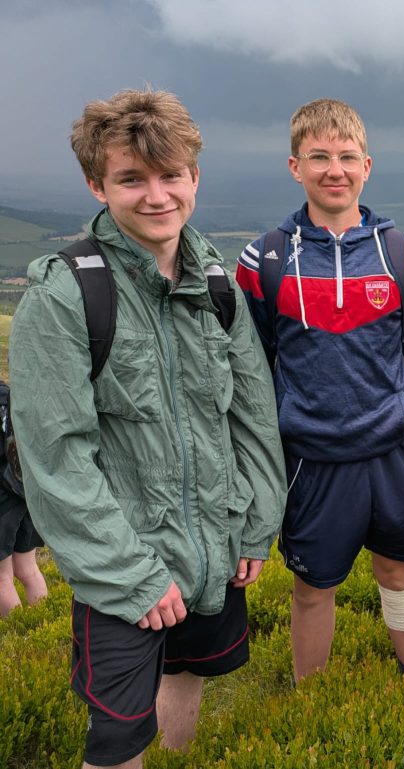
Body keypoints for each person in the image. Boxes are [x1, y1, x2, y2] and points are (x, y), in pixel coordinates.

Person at [9, 89, 287, 768]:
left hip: (217, 545)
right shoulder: (66, 293)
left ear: (195, 176)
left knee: (189, 670)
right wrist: (130, 574)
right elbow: (55, 457)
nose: (157, 196)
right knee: (117, 739)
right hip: (124, 563)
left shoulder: (215, 282)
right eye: (132, 179)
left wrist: (254, 524)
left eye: (171, 175)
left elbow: (252, 414)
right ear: (97, 184)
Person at [235, 98, 404, 682]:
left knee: (398, 571)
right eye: (319, 157)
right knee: (312, 588)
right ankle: (312, 699)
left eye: (348, 157)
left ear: (367, 166)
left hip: (394, 453)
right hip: (312, 459)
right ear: (295, 166)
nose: (335, 170)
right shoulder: (263, 259)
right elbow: (252, 373)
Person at [0, 387, 47, 616]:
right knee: (27, 569)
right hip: (25, 489)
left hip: (3, 498)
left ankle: (23, 632)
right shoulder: (9, 393)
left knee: (2, 578)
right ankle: (42, 623)